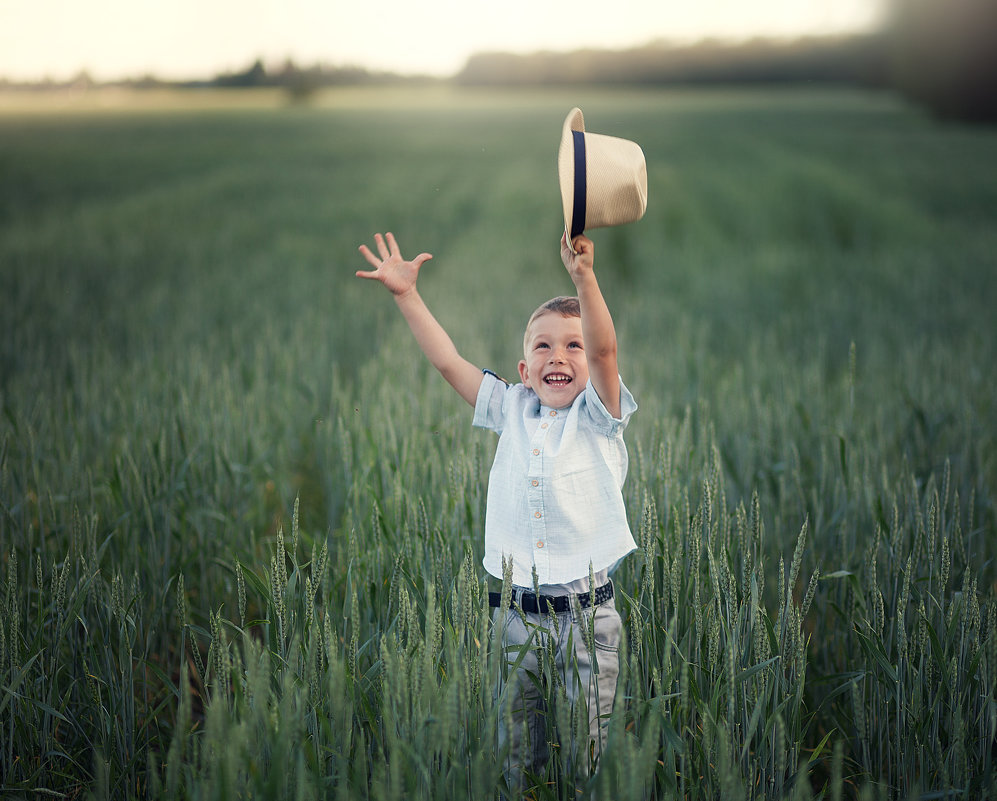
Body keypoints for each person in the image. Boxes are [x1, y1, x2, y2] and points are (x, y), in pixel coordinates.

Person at [356, 228, 638, 792]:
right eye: (543, 346)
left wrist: (584, 276)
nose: (559, 355)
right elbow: (447, 364)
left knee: (591, 757)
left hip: (589, 619)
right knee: (514, 753)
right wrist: (407, 296)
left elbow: (606, 349)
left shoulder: (598, 416)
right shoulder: (510, 407)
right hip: (513, 616)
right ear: (524, 367)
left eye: (572, 345)